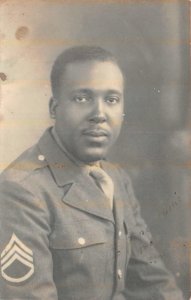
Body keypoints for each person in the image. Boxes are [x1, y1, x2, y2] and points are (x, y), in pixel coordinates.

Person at [0, 46, 184, 300]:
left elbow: (152, 281)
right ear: (54, 108)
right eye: (82, 98)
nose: (99, 114)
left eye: (111, 100)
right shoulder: (21, 190)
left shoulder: (115, 178)